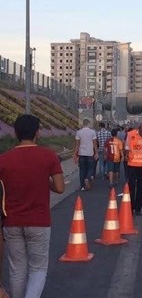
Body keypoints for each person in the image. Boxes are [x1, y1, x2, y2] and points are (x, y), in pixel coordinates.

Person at [0, 114, 65, 298]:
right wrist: (45, 181)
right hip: (39, 221)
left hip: (11, 221)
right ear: (37, 132)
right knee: (37, 268)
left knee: (16, 268)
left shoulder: (3, 159)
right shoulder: (48, 156)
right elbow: (60, 188)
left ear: (15, 132)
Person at [74, 119, 98, 191]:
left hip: (81, 153)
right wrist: (96, 152)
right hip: (90, 153)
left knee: (82, 170)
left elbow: (77, 144)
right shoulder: (92, 132)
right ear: (88, 124)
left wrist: (75, 154)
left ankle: (82, 186)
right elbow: (94, 143)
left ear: (83, 124)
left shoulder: (79, 132)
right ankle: (87, 178)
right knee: (91, 168)